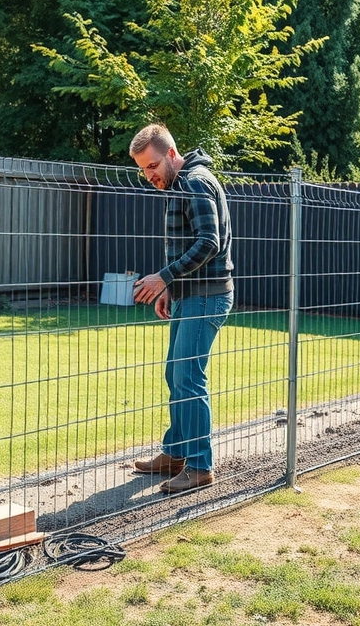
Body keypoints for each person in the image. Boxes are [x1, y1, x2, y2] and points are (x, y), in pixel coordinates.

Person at [128, 123, 234, 493]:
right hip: (190, 294)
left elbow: (209, 242)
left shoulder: (195, 182)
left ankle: (200, 466)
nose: (149, 175)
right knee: (176, 375)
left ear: (172, 154)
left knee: (189, 378)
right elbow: (188, 243)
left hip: (208, 295)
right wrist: (169, 289)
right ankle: (175, 453)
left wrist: (164, 277)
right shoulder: (178, 183)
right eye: (143, 169)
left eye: (153, 166)